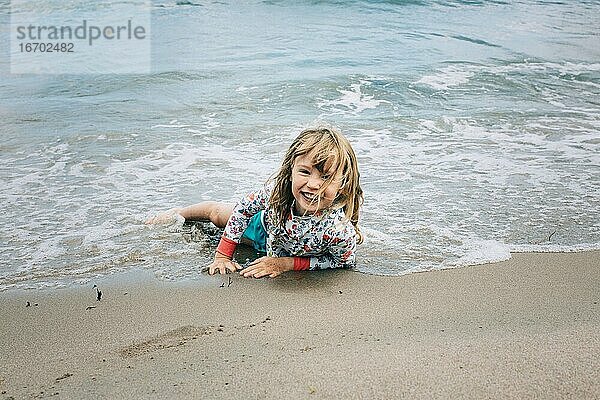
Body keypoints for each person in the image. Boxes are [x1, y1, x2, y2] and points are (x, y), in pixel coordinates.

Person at [146, 126, 364, 278]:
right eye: (305, 172)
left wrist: (287, 264)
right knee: (218, 215)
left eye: (325, 177)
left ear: (342, 185)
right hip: (263, 227)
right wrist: (223, 256)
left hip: (278, 245)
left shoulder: (339, 231)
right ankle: (180, 212)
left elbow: (343, 262)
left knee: (244, 241)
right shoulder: (276, 193)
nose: (313, 184)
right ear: (290, 172)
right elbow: (242, 210)